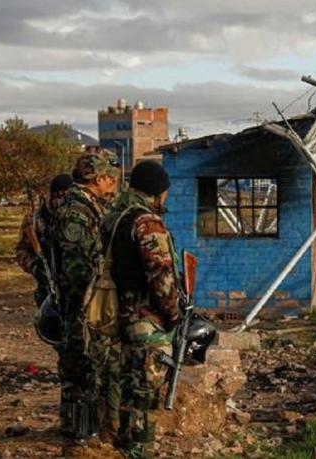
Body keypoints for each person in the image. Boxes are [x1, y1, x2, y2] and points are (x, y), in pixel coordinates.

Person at [102, 161, 180, 458]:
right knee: (145, 395)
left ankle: (124, 446)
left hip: (115, 314)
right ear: (158, 191)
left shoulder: (113, 217)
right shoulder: (147, 222)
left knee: (126, 387)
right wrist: (173, 315)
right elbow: (161, 277)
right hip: (146, 321)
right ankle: (139, 451)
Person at [53, 151, 121, 449]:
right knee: (80, 370)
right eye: (112, 177)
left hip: (90, 305)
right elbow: (77, 267)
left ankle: (87, 433)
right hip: (81, 306)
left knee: (91, 369)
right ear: (99, 178)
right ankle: (78, 437)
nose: (115, 183)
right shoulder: (76, 211)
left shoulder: (92, 206)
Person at [16, 174, 73, 307]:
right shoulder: (35, 220)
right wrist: (36, 267)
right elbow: (22, 251)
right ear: (55, 195)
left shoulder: (73, 217)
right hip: (47, 290)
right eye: (61, 197)